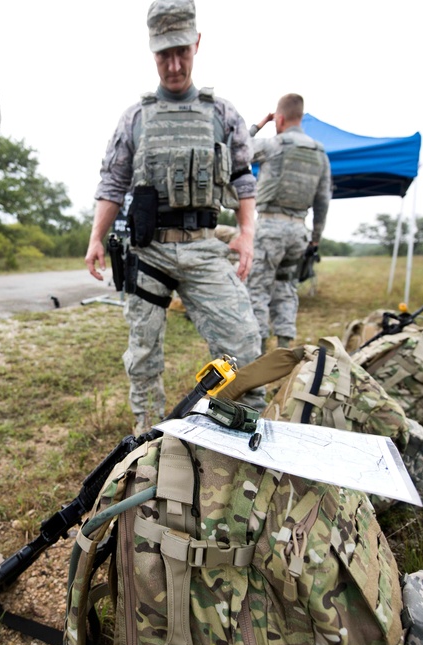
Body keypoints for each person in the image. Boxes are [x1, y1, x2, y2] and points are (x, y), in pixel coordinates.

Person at [85, 0, 263, 435]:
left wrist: (246, 234)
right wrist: (95, 238)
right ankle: (148, 436)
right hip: (149, 253)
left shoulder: (222, 114)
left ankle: (241, 429)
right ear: (152, 52)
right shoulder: (136, 118)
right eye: (165, 54)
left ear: (197, 43)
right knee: (144, 353)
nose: (174, 63)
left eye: (182, 50)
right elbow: (112, 183)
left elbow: (243, 178)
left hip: (203, 248)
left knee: (244, 343)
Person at [246, 94, 331, 352]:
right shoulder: (320, 153)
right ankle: (284, 348)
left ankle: (259, 354)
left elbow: (239, 149)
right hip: (298, 231)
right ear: (301, 117)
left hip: (271, 227)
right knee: (285, 287)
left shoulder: (274, 145)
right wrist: (315, 237)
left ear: (279, 119)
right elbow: (323, 199)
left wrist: (258, 125)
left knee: (258, 289)